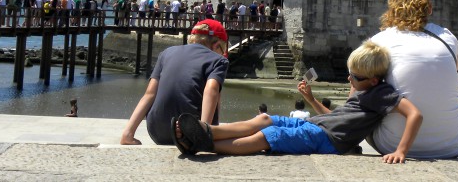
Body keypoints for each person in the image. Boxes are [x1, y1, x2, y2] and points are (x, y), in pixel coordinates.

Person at [172, 40, 422, 163]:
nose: (349, 78)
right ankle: (208, 131)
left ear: (374, 81)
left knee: (269, 135)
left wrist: (401, 150)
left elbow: (415, 115)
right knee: (264, 119)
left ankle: (207, 144)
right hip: (319, 126)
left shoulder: (381, 93)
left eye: (354, 76)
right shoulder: (362, 91)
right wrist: (311, 99)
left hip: (327, 140)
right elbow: (336, 117)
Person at [370, 0, 458, 159]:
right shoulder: (447, 38)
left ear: (392, 8)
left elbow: (356, 94)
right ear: (429, 9)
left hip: (390, 144)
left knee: (366, 84)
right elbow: (454, 68)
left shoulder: (380, 41)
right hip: (451, 146)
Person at [120, 19, 229, 146]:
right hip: (189, 133)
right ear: (216, 45)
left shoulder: (166, 53)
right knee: (216, 89)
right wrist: (203, 134)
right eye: (222, 50)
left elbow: (149, 94)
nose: (222, 54)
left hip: (158, 131)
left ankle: (127, 135)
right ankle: (203, 131)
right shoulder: (218, 60)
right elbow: (211, 91)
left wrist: (128, 133)